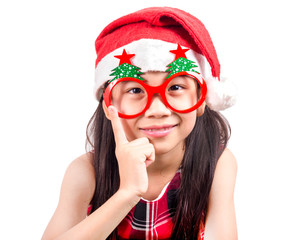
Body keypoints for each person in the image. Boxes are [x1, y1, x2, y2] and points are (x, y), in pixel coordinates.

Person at [42, 7, 237, 240]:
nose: (157, 110)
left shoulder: (217, 164)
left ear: (200, 100)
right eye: (135, 90)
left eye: (175, 87)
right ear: (108, 105)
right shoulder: (86, 172)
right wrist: (127, 194)